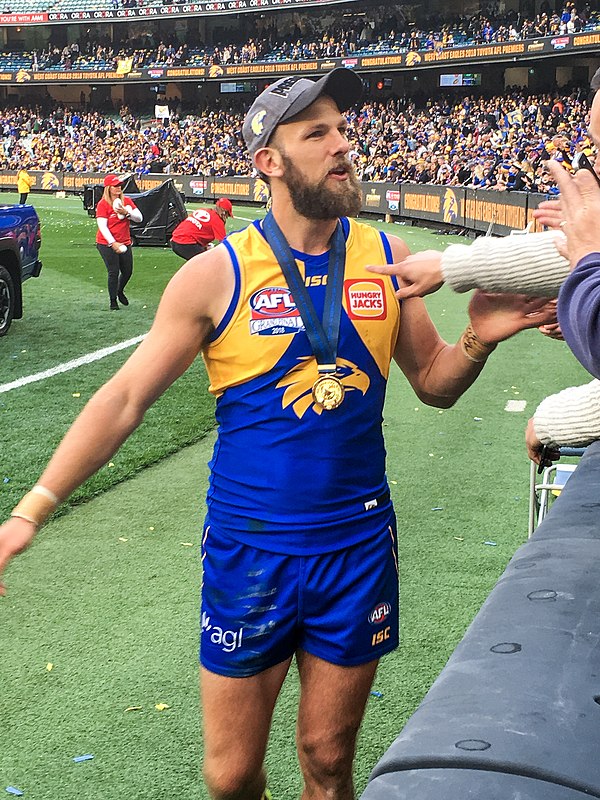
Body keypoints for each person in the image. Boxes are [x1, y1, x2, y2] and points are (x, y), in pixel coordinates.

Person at [0, 69, 554, 800]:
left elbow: (435, 385)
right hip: (249, 547)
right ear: (270, 160)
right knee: (230, 778)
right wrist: (28, 511)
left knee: (327, 761)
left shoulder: (383, 262)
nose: (343, 145)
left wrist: (478, 341)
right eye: (316, 132)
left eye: (344, 130)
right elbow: (125, 398)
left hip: (355, 548)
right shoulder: (216, 274)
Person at [95, 174, 143, 310]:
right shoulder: (103, 204)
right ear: (109, 188)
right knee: (113, 271)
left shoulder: (126, 201)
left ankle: (119, 290)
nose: (118, 188)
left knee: (128, 271)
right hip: (106, 243)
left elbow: (139, 218)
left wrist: (127, 213)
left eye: (119, 185)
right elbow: (102, 226)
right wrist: (113, 243)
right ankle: (113, 301)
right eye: (115, 186)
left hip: (125, 241)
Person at [170, 198, 234, 260]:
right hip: (185, 243)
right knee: (207, 263)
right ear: (223, 212)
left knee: (199, 260)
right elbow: (224, 244)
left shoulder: (202, 210)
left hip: (174, 240)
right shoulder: (217, 221)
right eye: (227, 215)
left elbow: (195, 230)